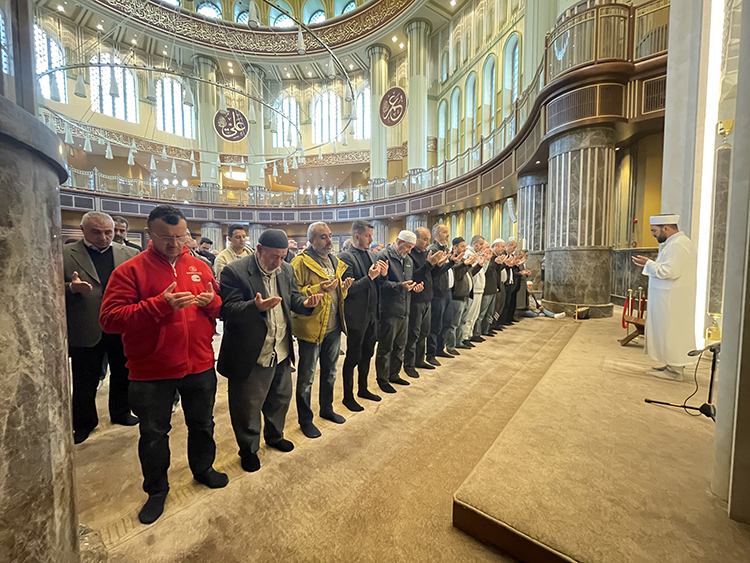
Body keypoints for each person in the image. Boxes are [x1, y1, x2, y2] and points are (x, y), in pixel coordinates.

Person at [100, 205, 227, 525]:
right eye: (166, 237)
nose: (174, 243)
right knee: (154, 434)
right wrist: (159, 305)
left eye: (180, 237)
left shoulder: (199, 266)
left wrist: (210, 303)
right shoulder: (130, 270)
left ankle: (203, 469)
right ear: (150, 234)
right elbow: (109, 319)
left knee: (203, 424)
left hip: (199, 363)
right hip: (152, 369)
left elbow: (218, 306)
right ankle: (156, 490)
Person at [217, 229, 322, 473]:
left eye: (283, 256)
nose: (278, 262)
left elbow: (292, 297)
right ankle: (248, 449)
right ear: (259, 249)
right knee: (248, 407)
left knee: (280, 399)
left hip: (281, 348)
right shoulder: (235, 271)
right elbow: (227, 310)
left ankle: (275, 436)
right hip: (252, 352)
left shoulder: (286, 269)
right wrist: (255, 307)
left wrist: (305, 303)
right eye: (274, 256)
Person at [63, 212, 139, 444]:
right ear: (83, 230)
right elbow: (48, 286)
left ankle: (121, 412)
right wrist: (71, 288)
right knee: (85, 378)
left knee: (122, 372)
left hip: (120, 324)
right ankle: (84, 423)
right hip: (86, 325)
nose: (104, 237)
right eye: (96, 232)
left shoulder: (129, 254)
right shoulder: (65, 254)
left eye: (109, 232)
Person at [291, 222, 353, 438]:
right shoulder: (300, 262)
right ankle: (305, 420)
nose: (328, 241)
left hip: (333, 326)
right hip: (311, 327)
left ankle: (326, 409)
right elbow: (293, 293)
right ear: (311, 241)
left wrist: (342, 290)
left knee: (330, 373)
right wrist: (319, 288)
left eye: (329, 236)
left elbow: (334, 295)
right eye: (323, 237)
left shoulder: (334, 261)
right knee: (306, 378)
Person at [632, 214, 697, 381]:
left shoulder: (678, 245)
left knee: (672, 332)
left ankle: (675, 371)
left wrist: (648, 263)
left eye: (654, 231)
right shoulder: (673, 243)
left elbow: (670, 271)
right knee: (667, 331)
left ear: (666, 228)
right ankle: (670, 365)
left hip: (672, 300)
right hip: (669, 298)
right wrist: (649, 264)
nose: (653, 235)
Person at [338, 221, 388, 411]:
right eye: (368, 236)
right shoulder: (345, 257)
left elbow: (377, 285)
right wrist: (370, 278)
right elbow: (348, 289)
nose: (371, 239)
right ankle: (347, 396)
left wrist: (383, 275)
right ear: (357, 236)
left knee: (368, 353)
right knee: (353, 356)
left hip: (373, 313)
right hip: (356, 316)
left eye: (371, 236)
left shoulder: (372, 255)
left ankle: (363, 388)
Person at [375, 231, 424, 393]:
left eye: (411, 248)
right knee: (386, 347)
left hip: (404, 309)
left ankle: (394, 374)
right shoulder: (383, 256)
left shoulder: (408, 260)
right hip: (389, 310)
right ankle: (382, 379)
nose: (409, 251)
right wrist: (400, 287)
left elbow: (408, 282)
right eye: (407, 247)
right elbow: (379, 285)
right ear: (399, 241)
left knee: (400, 346)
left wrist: (414, 288)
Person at [404, 227, 448, 378]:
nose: (428, 243)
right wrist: (429, 263)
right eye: (424, 239)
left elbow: (431, 275)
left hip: (427, 298)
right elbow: (413, 276)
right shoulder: (410, 255)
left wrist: (440, 265)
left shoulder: (424, 253)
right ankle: (409, 364)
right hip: (416, 299)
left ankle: (419, 360)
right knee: (413, 334)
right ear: (415, 239)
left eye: (429, 239)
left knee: (424, 332)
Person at [426, 223, 456, 365]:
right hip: (437, 292)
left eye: (447, 232)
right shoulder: (433, 249)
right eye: (444, 232)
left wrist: (452, 261)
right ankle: (431, 353)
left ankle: (440, 348)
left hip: (447, 291)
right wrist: (449, 262)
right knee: (435, 324)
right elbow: (434, 273)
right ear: (436, 234)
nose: (447, 235)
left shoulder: (445, 249)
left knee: (446, 322)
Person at [446, 238, 480, 354]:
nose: (464, 249)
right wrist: (465, 264)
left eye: (465, 246)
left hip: (466, 295)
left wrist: (478, 265)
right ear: (454, 248)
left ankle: (458, 342)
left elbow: (470, 274)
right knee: (453, 324)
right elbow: (456, 275)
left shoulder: (463, 261)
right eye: (462, 246)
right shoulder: (453, 261)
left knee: (462, 322)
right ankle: (450, 346)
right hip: (456, 296)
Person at [462, 236, 490, 344]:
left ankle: (470, 334)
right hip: (473, 288)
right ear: (474, 243)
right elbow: (471, 272)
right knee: (469, 315)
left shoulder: (477, 254)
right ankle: (464, 337)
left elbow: (482, 271)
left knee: (475, 315)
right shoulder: (469, 254)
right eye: (481, 244)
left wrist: (485, 262)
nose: (482, 247)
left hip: (479, 288)